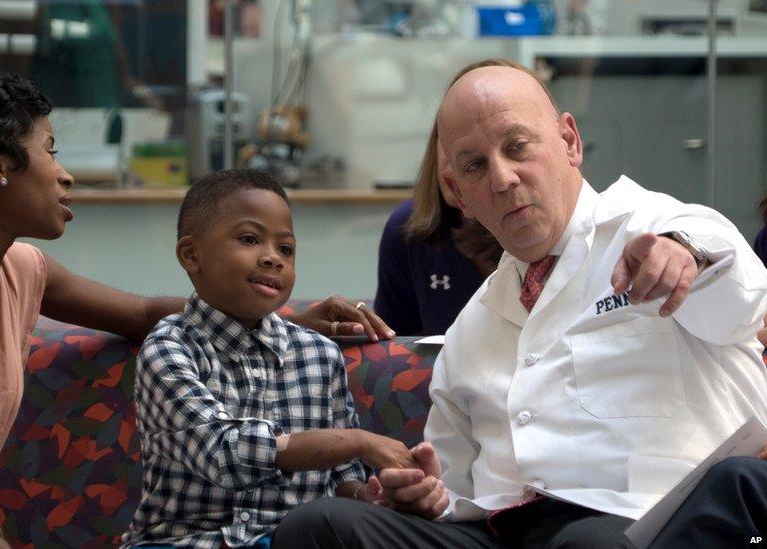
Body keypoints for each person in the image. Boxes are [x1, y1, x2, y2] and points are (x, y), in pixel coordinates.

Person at [0, 70, 389, 549]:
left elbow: (143, 311)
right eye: (50, 150)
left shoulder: (23, 269)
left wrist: (280, 319)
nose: (66, 174)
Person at [272, 59, 767, 548]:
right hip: (502, 530)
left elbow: (742, 299)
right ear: (457, 193)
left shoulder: (662, 226)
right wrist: (428, 497)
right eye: (475, 165)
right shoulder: (474, 324)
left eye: (517, 147)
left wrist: (686, 256)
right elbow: (456, 488)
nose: (502, 178)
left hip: (648, 519)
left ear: (569, 142)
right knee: (320, 528)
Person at [122, 169, 415, 548]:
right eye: (249, 239)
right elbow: (223, 455)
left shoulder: (319, 354)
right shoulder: (169, 348)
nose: (273, 259)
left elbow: (343, 477)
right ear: (191, 255)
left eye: (286, 249)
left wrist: (370, 497)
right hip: (185, 541)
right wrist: (356, 440)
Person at [374, 121, 501, 336]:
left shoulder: (541, 227)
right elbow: (392, 350)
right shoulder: (406, 227)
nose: (453, 159)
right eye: (448, 139)